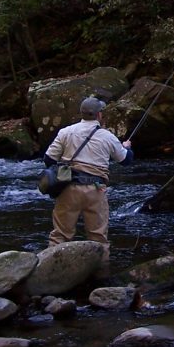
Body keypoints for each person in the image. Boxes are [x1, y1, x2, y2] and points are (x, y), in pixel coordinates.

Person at [42, 96, 132, 274]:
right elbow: (126, 160)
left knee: (60, 236)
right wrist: (126, 147)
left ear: (82, 113)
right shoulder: (108, 137)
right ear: (99, 115)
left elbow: (48, 160)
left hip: (68, 188)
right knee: (98, 238)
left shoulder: (66, 132)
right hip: (96, 189)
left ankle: (49, 275)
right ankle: (101, 278)